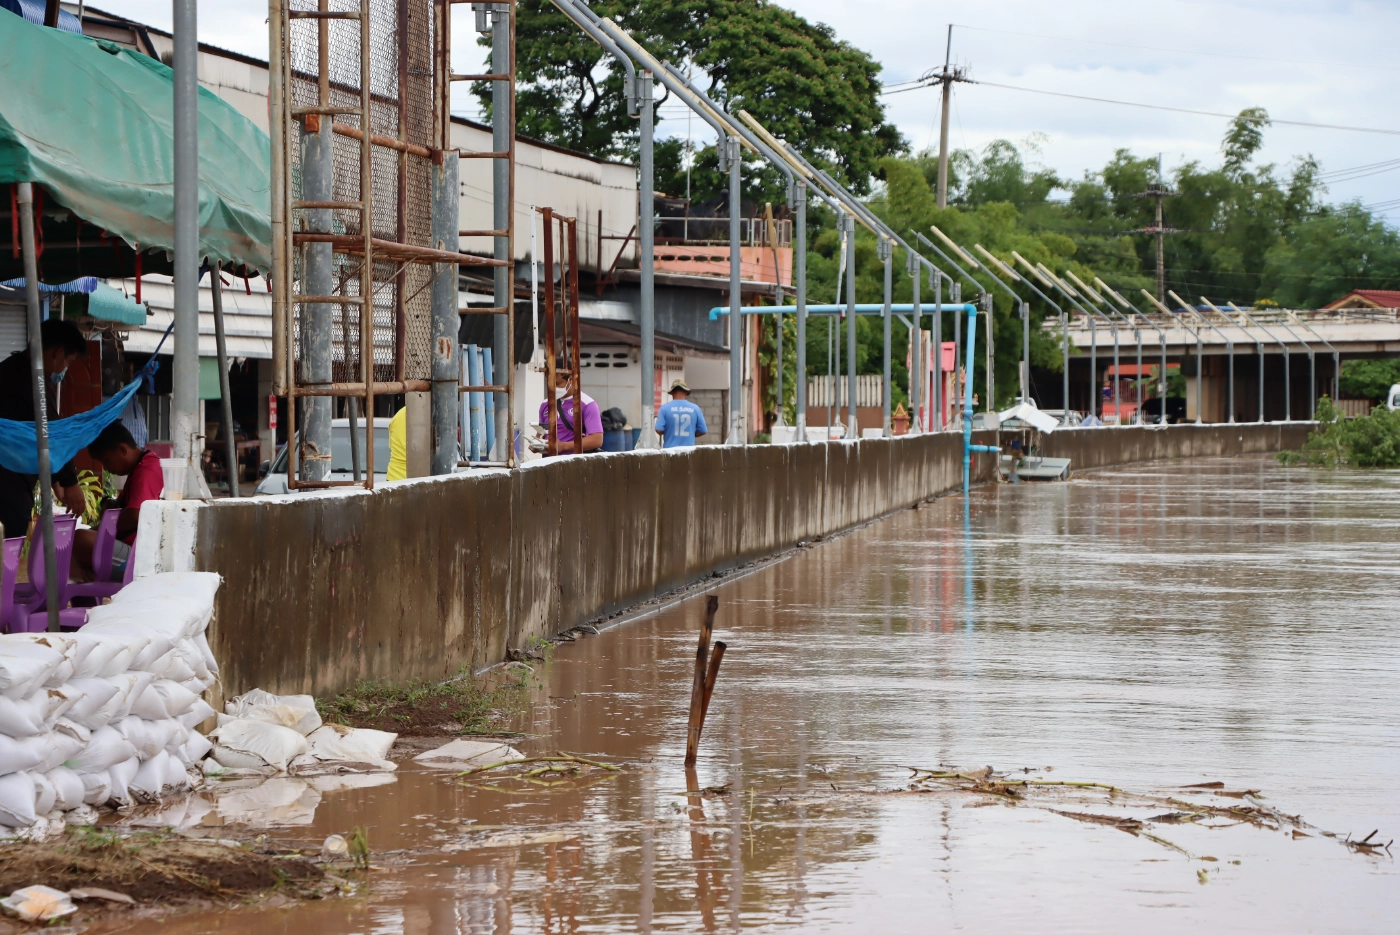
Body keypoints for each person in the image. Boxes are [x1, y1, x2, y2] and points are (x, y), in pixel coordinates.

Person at [0, 319, 88, 539]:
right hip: (9, 484)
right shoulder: (32, 380)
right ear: (58, 353)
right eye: (68, 362)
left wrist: (56, 479)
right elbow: (50, 431)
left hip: (13, 478)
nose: (64, 370)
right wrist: (70, 482)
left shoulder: (10, 369)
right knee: (11, 543)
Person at [73, 422, 163, 581]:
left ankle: (86, 577)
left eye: (107, 461)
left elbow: (135, 515)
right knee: (76, 545)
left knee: (80, 538)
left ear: (122, 449)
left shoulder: (147, 469)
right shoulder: (138, 469)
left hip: (141, 557)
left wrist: (98, 529)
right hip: (130, 548)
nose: (106, 468)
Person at [538, 369, 603, 455]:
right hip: (548, 460)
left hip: (574, 461)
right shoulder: (545, 404)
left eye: (557, 383)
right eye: (550, 384)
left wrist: (564, 446)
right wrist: (537, 444)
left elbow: (597, 440)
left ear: (571, 380)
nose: (553, 387)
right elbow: (541, 433)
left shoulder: (587, 404)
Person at [655, 379, 707, 448]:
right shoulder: (695, 408)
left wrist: (670, 431)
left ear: (672, 393)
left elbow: (659, 430)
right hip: (688, 451)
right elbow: (703, 430)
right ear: (686, 393)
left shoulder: (664, 408)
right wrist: (691, 434)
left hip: (669, 451)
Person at [385, 406, 407, 480]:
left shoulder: (399, 415)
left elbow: (391, 447)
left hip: (394, 477)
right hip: (414, 478)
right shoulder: (425, 413)